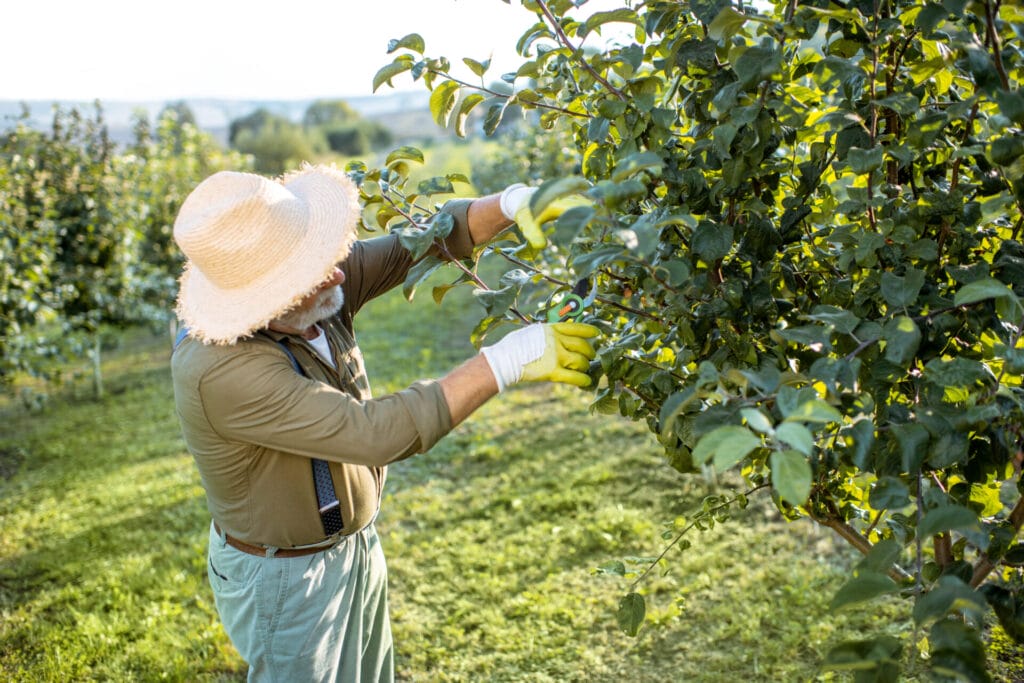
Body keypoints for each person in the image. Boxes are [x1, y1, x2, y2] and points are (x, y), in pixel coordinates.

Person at [169, 163, 598, 682]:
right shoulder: (221, 370)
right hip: (286, 576)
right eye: (313, 271)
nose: (337, 274)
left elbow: (412, 248)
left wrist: (512, 203)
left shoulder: (311, 291)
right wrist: (505, 361)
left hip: (351, 546)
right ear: (266, 299)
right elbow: (373, 433)